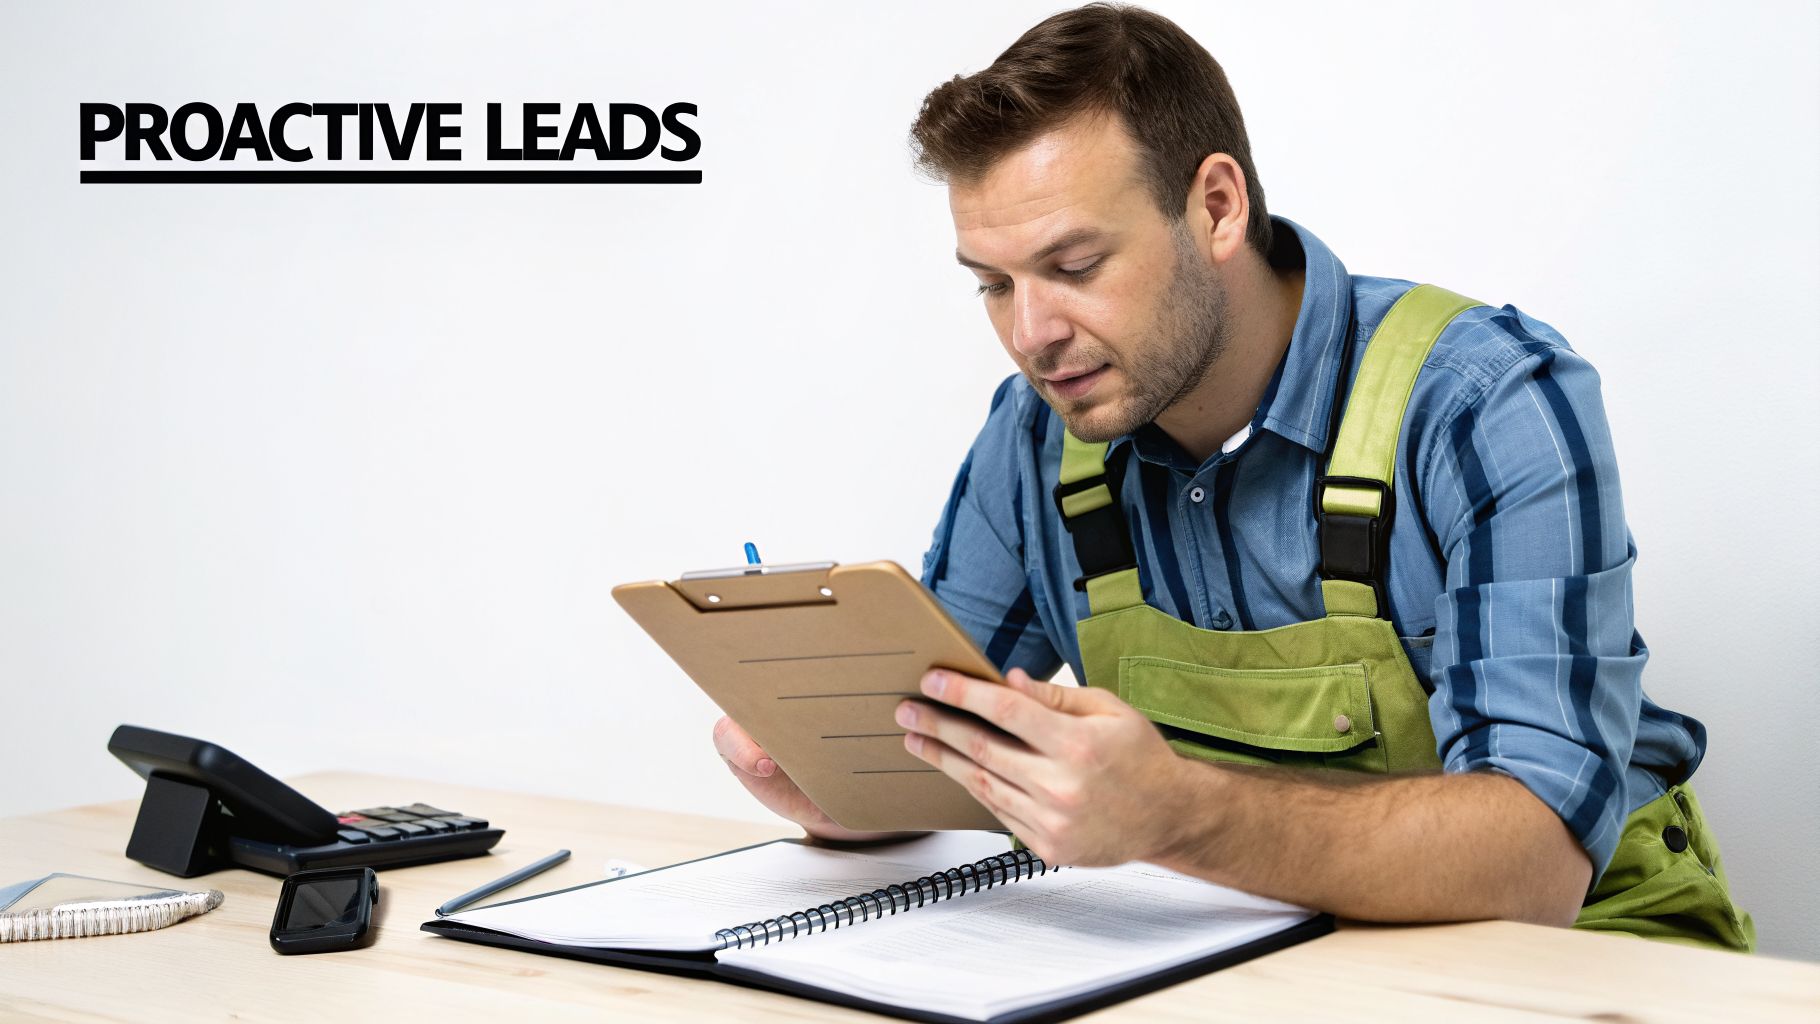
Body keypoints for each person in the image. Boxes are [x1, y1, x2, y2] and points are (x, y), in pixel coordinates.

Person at [711, 2, 1752, 950]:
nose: (1029, 335)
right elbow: (935, 755)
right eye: (992, 284)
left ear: (1213, 207)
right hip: (1256, 946)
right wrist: (825, 777)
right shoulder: (1038, 436)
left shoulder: (1486, 403)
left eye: (1073, 267)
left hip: (1583, 948)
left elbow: (1533, 863)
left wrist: (1171, 811)